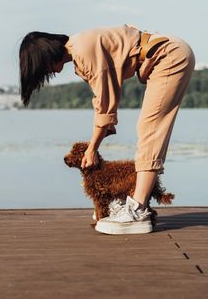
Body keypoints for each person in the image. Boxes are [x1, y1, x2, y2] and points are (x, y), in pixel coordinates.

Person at [19, 24, 195, 234]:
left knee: (151, 128)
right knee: (149, 126)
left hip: (169, 57)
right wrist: (95, 142)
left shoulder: (84, 52)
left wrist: (92, 149)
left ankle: (137, 209)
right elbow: (103, 104)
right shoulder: (80, 48)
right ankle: (135, 204)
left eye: (41, 68)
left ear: (46, 56)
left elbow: (105, 104)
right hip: (167, 54)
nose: (46, 73)